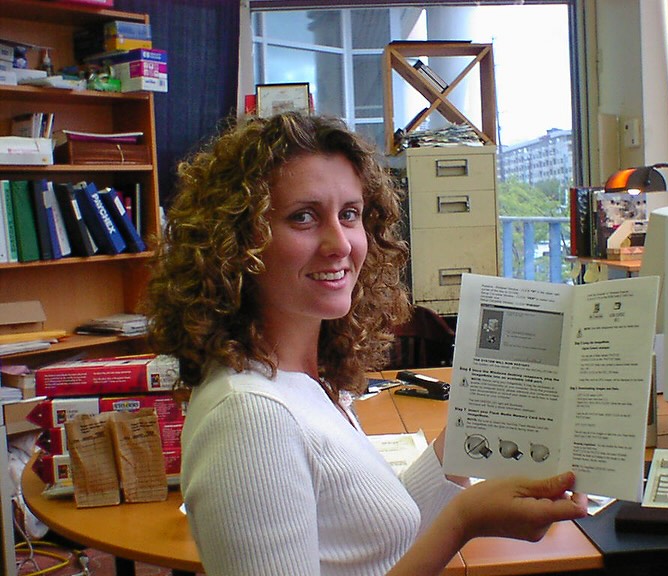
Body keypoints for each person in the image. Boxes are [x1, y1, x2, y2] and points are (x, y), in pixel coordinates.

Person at [143, 112, 587, 576]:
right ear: (236, 241)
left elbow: (372, 543)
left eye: (349, 214)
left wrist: (467, 436)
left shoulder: (304, 381)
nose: (340, 244)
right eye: (304, 217)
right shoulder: (250, 417)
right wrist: (463, 520)